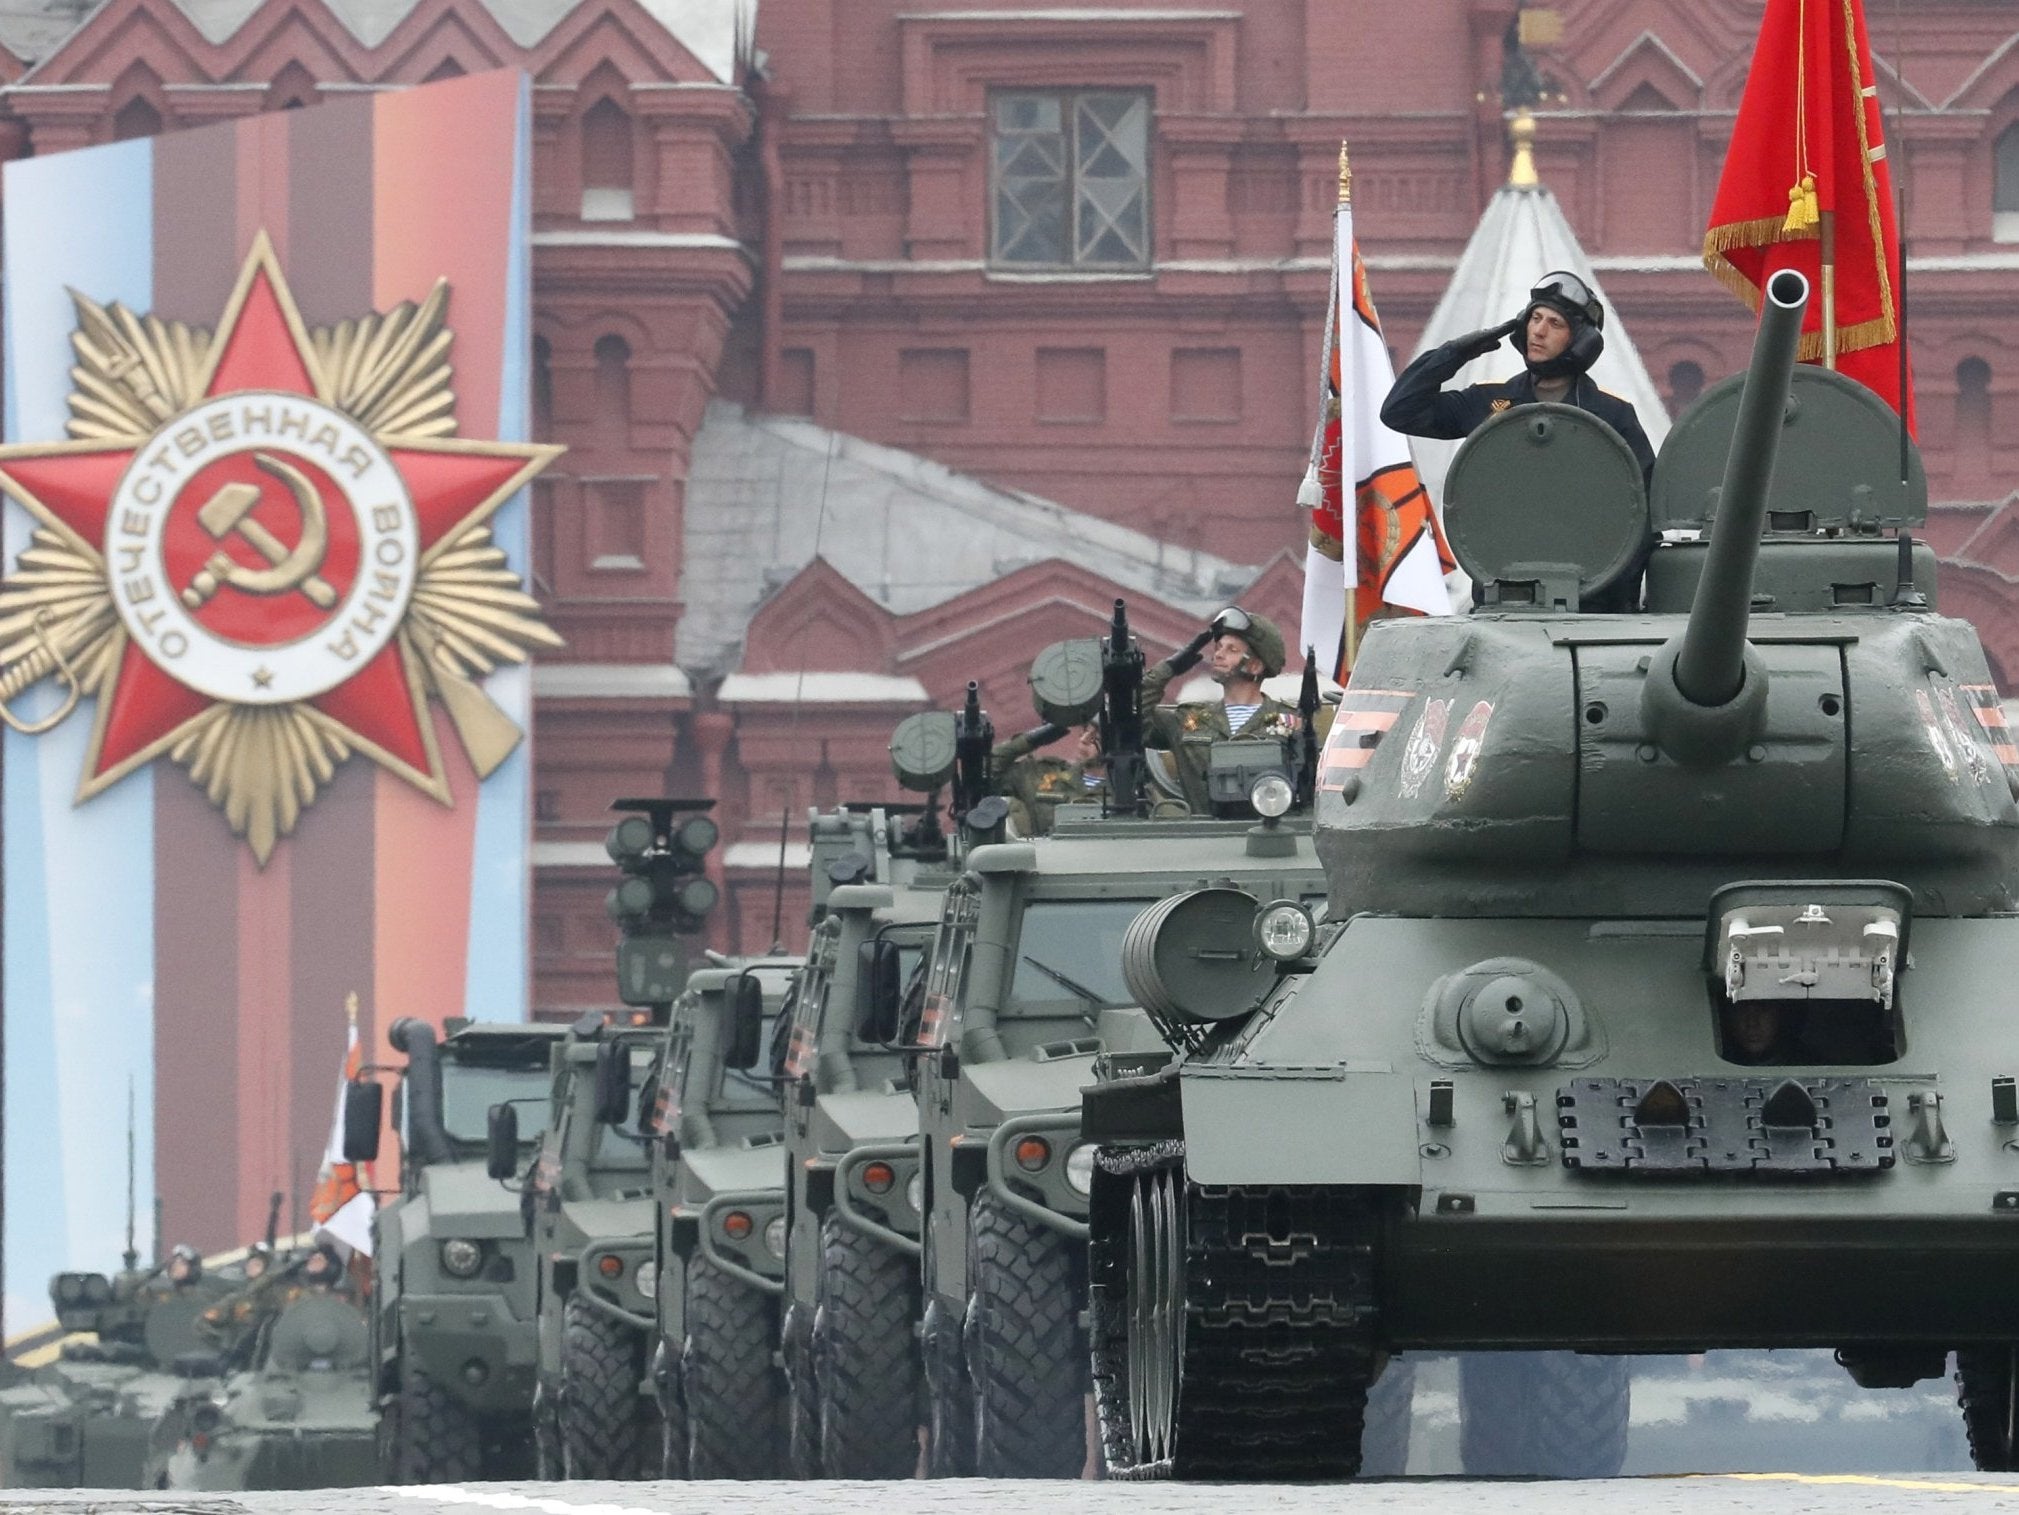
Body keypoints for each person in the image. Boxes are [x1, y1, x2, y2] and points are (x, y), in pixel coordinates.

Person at [1141, 608, 1302, 816]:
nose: (1218, 654)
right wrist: (1167, 669)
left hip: (1269, 837)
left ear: (1254, 666)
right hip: (1206, 837)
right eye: (1219, 647)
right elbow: (1130, 716)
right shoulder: (1189, 720)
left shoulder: (1292, 723)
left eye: (1232, 650)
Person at [994, 723, 1108, 836]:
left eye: (1095, 737)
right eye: (1084, 732)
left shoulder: (1122, 791)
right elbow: (987, 767)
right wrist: (1032, 740)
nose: (1083, 740)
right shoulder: (1041, 773)